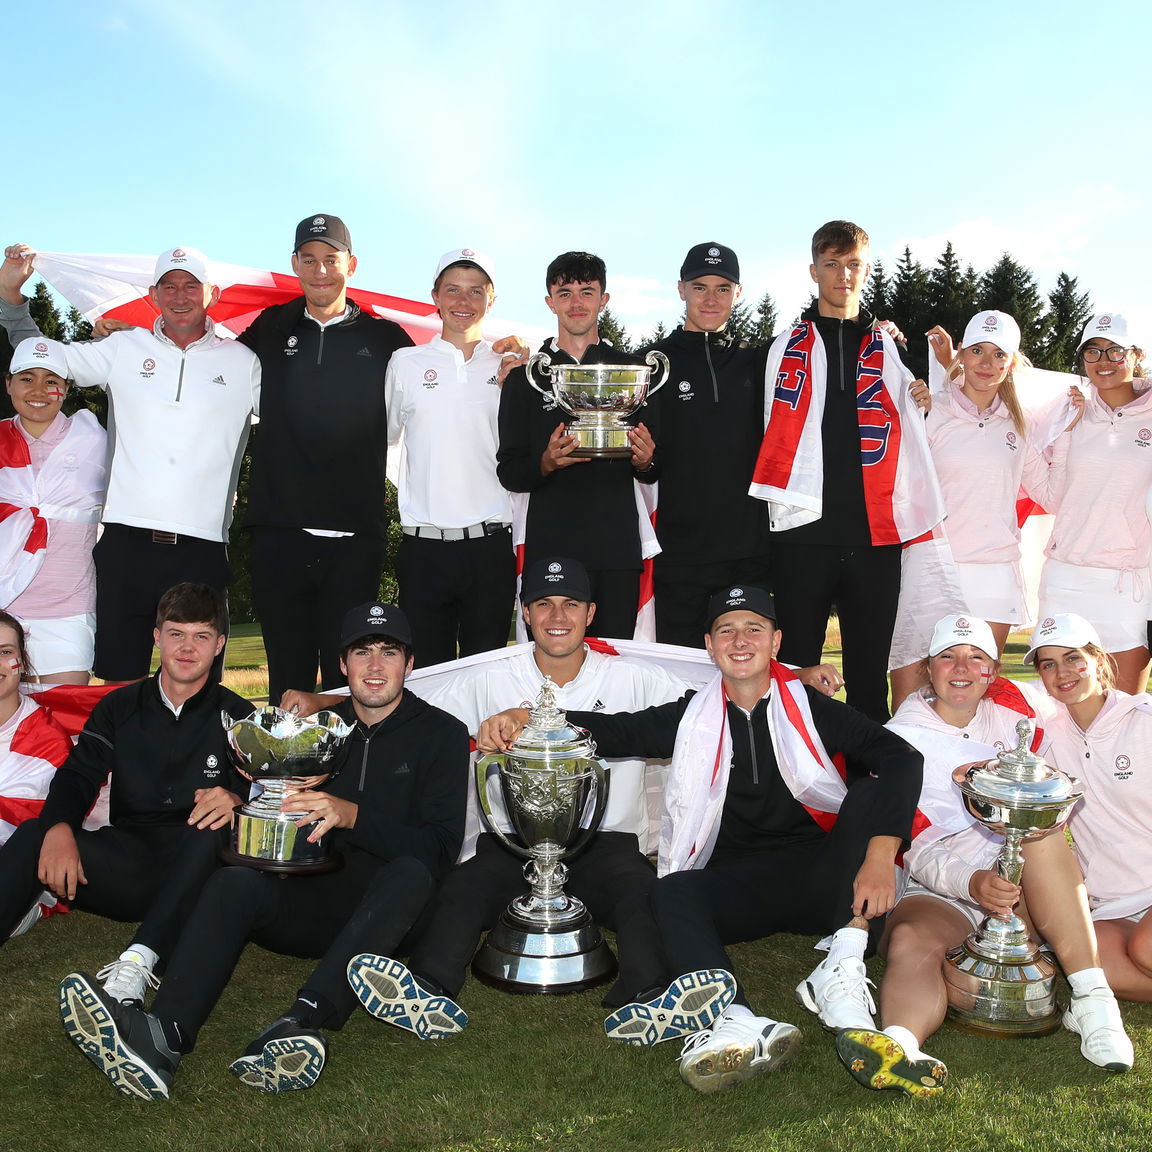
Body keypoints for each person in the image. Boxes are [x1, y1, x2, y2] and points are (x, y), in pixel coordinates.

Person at [483, 585, 922, 1093]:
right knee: (669, 890)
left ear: (776, 642)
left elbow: (902, 759)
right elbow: (617, 731)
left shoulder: (813, 707)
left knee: (867, 796)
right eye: (726, 630)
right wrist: (529, 717)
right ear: (710, 647)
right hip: (740, 884)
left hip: (827, 884)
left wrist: (880, 856)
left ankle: (841, 967)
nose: (740, 641)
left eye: (753, 629)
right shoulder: (691, 716)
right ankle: (736, 1018)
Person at [57, 601, 469, 1100]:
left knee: (410, 870)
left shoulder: (442, 733)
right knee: (234, 882)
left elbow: (441, 849)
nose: (375, 665)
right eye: (362, 652)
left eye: (389, 652)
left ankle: (303, 1020)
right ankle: (161, 1036)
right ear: (342, 665)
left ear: (410, 662)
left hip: (392, 919)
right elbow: (267, 804)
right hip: (316, 900)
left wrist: (352, 814)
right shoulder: (319, 731)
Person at [336, 557, 737, 1044]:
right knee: (461, 894)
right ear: (525, 614)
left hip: (605, 840)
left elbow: (717, 699)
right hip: (510, 841)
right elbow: (407, 694)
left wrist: (794, 680)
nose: (557, 616)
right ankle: (426, 988)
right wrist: (322, 700)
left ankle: (648, 996)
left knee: (642, 899)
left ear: (590, 613)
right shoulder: (490, 677)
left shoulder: (632, 677)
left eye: (570, 604)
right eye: (542, 604)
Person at [834, 614, 1132, 1098]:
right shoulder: (898, 739)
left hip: (1023, 891)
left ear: (993, 672)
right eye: (948, 656)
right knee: (910, 939)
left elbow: (1075, 689)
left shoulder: (1014, 712)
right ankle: (899, 1046)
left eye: (977, 658)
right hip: (943, 885)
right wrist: (971, 883)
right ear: (928, 669)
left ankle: (1094, 1002)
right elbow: (914, 844)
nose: (962, 668)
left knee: (1039, 830)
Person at [0, 244, 260, 682]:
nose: (180, 296)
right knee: (121, 688)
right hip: (126, 545)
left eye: (191, 286)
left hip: (202, 547)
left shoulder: (244, 362)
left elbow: (303, 414)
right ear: (154, 295)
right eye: (168, 287)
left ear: (211, 294)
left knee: (199, 687)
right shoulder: (122, 348)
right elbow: (38, 359)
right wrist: (11, 296)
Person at [0, 583, 251, 1006]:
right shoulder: (119, 706)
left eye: (201, 636)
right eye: (176, 634)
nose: (187, 648)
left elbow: (267, 790)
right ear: (157, 637)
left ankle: (138, 962)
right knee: (31, 835)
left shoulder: (240, 715)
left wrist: (237, 796)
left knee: (216, 820)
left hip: (198, 874)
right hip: (130, 860)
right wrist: (58, 827)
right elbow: (78, 774)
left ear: (220, 643)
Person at [750, 221, 943, 721]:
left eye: (853, 264)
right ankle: (794, 792)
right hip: (800, 534)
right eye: (832, 265)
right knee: (793, 676)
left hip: (874, 540)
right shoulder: (778, 349)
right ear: (814, 271)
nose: (843, 275)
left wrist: (921, 400)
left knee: (867, 679)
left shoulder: (891, 352)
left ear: (866, 270)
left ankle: (868, 790)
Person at [234, 216, 412, 702]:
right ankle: (280, 780)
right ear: (294, 265)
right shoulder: (272, 327)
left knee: (346, 685)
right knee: (286, 682)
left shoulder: (386, 339)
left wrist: (500, 355)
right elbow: (214, 373)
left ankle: (344, 781)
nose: (319, 271)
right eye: (308, 260)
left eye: (330, 260)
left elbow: (433, 395)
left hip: (354, 538)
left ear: (350, 265)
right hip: (279, 532)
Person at [888, 311, 1050, 705]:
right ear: (961, 353)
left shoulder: (1022, 423)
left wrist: (1076, 430)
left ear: (1012, 363)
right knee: (911, 692)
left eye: (999, 355)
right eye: (977, 351)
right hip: (930, 564)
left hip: (994, 573)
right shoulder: (929, 407)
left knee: (976, 698)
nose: (987, 363)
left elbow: (1050, 490)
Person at [497, 252, 659, 639]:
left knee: (616, 669)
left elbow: (659, 465)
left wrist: (647, 460)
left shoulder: (632, 373)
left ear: (604, 300)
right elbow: (509, 470)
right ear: (550, 301)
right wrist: (546, 463)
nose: (576, 303)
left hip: (616, 549)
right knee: (551, 675)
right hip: (551, 547)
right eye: (565, 293)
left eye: (587, 292)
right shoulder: (526, 379)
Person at [385, 248, 515, 666]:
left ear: (491, 300)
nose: (464, 302)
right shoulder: (405, 363)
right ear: (435, 297)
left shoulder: (511, 365)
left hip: (491, 547)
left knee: (487, 675)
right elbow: (384, 437)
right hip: (425, 549)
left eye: (476, 291)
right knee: (426, 678)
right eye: (453, 290)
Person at [643, 244, 772, 648]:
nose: (711, 298)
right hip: (680, 553)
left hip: (750, 552)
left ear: (739, 292)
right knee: (679, 679)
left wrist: (879, 331)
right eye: (700, 287)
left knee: (747, 676)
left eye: (722, 287)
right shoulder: (650, 363)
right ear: (681, 289)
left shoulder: (761, 361)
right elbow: (646, 463)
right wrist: (644, 462)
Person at [1027, 612, 1152, 1002]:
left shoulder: (1143, 720)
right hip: (1111, 899)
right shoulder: (1046, 730)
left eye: (1073, 658)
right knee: (1101, 969)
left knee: (1146, 951)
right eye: (1048, 664)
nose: (1062, 672)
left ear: (1098, 659)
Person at [1036, 313, 1152, 693]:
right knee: (1060, 711)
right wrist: (1067, 429)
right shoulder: (1071, 411)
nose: (1104, 360)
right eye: (1093, 351)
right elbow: (1052, 496)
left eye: (1115, 351)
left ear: (1136, 355)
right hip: (1066, 577)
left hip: (1129, 582)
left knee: (1125, 709)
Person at [0, 338, 106, 683]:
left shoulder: (95, 440)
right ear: (9, 384)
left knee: (66, 727)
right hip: (4, 609)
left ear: (66, 389)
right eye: (27, 378)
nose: (39, 390)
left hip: (69, 610)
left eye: (51, 381)